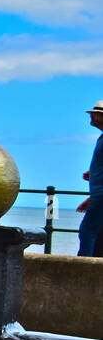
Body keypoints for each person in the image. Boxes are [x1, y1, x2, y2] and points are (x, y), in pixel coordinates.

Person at [76, 100, 103, 257]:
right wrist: (93, 173)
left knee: (87, 231)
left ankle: (83, 268)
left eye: (96, 114)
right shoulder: (101, 138)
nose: (92, 116)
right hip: (98, 196)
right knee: (98, 235)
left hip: (100, 196)